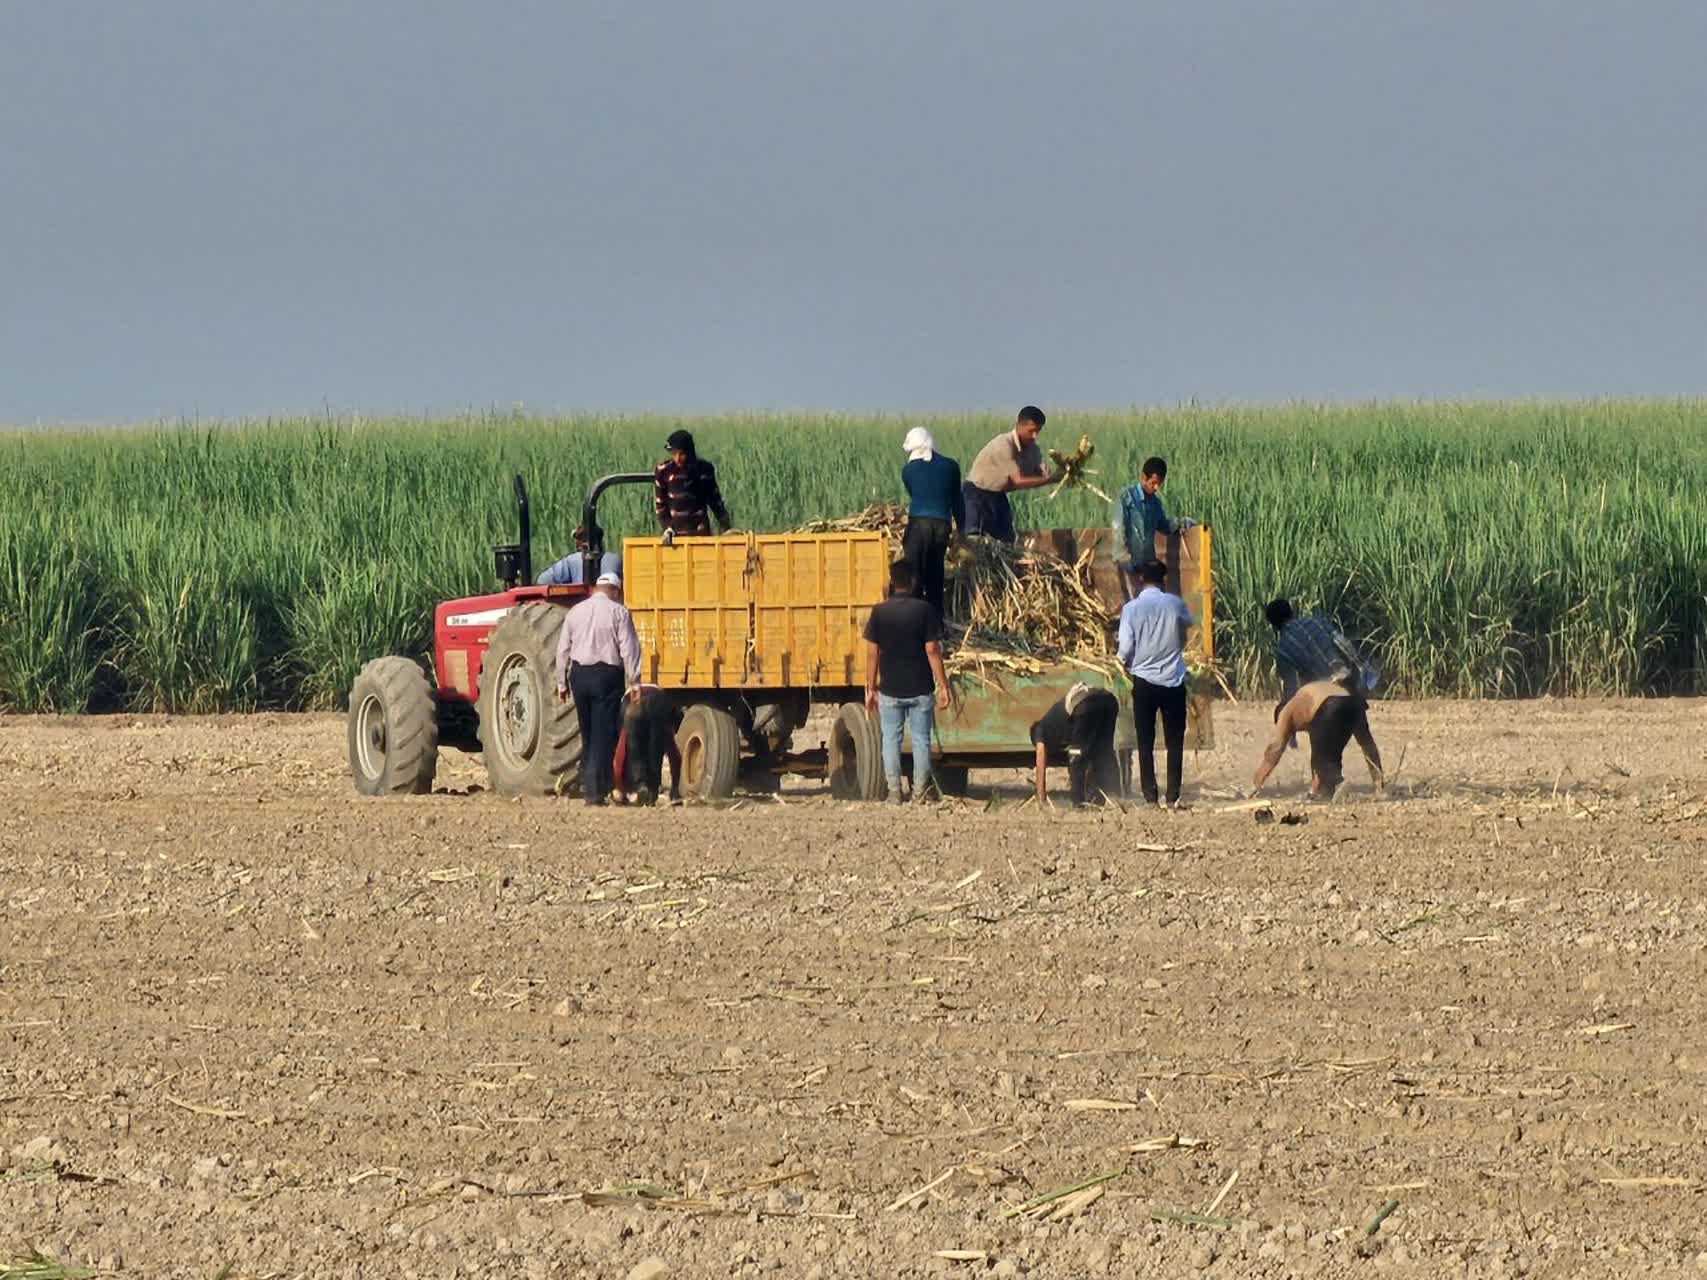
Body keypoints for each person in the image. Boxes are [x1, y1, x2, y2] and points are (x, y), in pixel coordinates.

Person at [862, 561, 951, 804]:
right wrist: (942, 684)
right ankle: (920, 792)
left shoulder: (879, 612)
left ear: (892, 581)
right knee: (922, 740)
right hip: (920, 688)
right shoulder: (924, 610)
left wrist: (870, 688)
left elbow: (872, 653)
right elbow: (932, 649)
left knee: (890, 740)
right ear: (912, 581)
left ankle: (894, 792)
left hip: (890, 689)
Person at [554, 572, 642, 806]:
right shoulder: (619, 612)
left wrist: (561, 682)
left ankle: (593, 785)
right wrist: (634, 682)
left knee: (587, 732)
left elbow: (562, 649)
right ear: (615, 590)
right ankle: (594, 792)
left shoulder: (575, 612)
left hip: (579, 676)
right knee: (603, 736)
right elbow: (629, 649)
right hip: (606, 676)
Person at [1117, 558, 1194, 807]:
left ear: (1140, 580)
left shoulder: (1131, 609)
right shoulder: (1175, 604)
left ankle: (1150, 796)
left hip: (1144, 680)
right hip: (1173, 680)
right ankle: (1173, 795)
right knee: (1175, 741)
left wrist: (1121, 661)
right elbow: (1189, 622)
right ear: (1164, 580)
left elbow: (1126, 648)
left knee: (1145, 741)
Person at [1252, 675, 1384, 799]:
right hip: (1354, 703)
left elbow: (1274, 751)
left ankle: (1339, 782)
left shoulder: (1286, 711)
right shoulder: (1308, 705)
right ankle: (1374, 786)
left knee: (1323, 761)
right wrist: (1379, 784)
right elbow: (1368, 747)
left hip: (1332, 704)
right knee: (1358, 746)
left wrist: (1256, 785)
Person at [961, 406, 1061, 543]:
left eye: (1038, 431)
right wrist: (1049, 480)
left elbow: (1039, 471)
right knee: (976, 540)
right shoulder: (1004, 444)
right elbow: (1018, 480)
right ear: (1019, 426)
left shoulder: (1033, 449)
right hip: (977, 495)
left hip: (998, 494)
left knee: (1007, 540)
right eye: (1031, 431)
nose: (1034, 436)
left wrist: (1051, 472)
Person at [899, 426, 964, 617]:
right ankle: (936, 624)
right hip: (942, 525)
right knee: (935, 573)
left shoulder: (908, 470)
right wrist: (961, 530)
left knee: (914, 573)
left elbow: (914, 493)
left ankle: (914, 619)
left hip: (919, 524)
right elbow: (957, 500)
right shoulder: (951, 466)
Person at [1113, 456, 1196, 599]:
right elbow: (1119, 529)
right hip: (1128, 564)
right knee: (1132, 605)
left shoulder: (1155, 503)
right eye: (1154, 483)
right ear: (1144, 477)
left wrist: (1181, 523)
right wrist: (1125, 560)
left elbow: (1163, 526)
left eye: (1160, 484)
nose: (1156, 488)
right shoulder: (1126, 498)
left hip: (1147, 568)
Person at [1030, 681, 1122, 808]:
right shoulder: (1058, 721)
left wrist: (1042, 799)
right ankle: (1113, 795)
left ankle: (1078, 802)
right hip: (1109, 701)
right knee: (1104, 752)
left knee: (1076, 758)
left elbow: (1040, 767)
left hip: (1086, 705)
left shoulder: (1040, 731)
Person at [1265, 599, 1373, 706]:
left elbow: (1291, 686)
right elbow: (1343, 643)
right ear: (1292, 612)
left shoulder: (1282, 650)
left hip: (1321, 691)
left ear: (1274, 626)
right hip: (1344, 678)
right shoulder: (1317, 621)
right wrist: (1361, 664)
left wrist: (1285, 705)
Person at [611, 684, 683, 806]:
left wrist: (618, 786)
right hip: (657, 698)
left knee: (631, 746)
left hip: (632, 699)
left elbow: (620, 753)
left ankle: (640, 785)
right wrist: (676, 786)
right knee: (657, 748)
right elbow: (672, 751)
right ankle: (656, 791)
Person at [654, 429, 733, 536]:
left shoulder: (704, 470)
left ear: (690, 452)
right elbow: (661, 506)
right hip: (674, 535)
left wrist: (725, 526)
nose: (677, 458)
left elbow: (715, 501)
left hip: (700, 534)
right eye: (674, 454)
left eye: (682, 454)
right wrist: (667, 528)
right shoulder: (663, 471)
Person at [537, 526, 622, 587]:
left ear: (583, 542)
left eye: (578, 539)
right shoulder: (616, 559)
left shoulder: (573, 560)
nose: (576, 543)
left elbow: (543, 580)